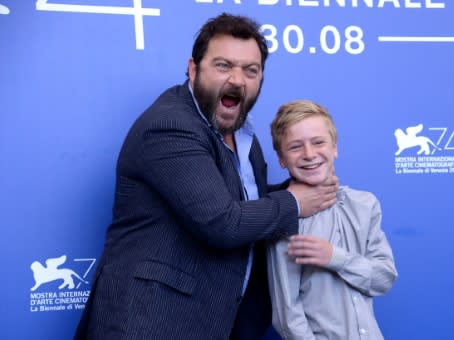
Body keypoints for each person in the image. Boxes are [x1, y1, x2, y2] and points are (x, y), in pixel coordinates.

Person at [74, 13, 339, 340]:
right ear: (193, 68)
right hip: (151, 323)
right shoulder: (171, 126)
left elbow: (243, 201)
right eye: (224, 65)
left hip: (213, 321)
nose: (238, 80)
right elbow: (221, 221)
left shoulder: (244, 136)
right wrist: (296, 201)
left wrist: (303, 186)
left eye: (250, 70)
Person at [266, 100, 398, 340]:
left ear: (334, 147)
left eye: (318, 142)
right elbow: (287, 314)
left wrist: (335, 257)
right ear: (281, 159)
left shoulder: (364, 204)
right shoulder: (286, 218)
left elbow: (383, 279)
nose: (309, 154)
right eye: (296, 147)